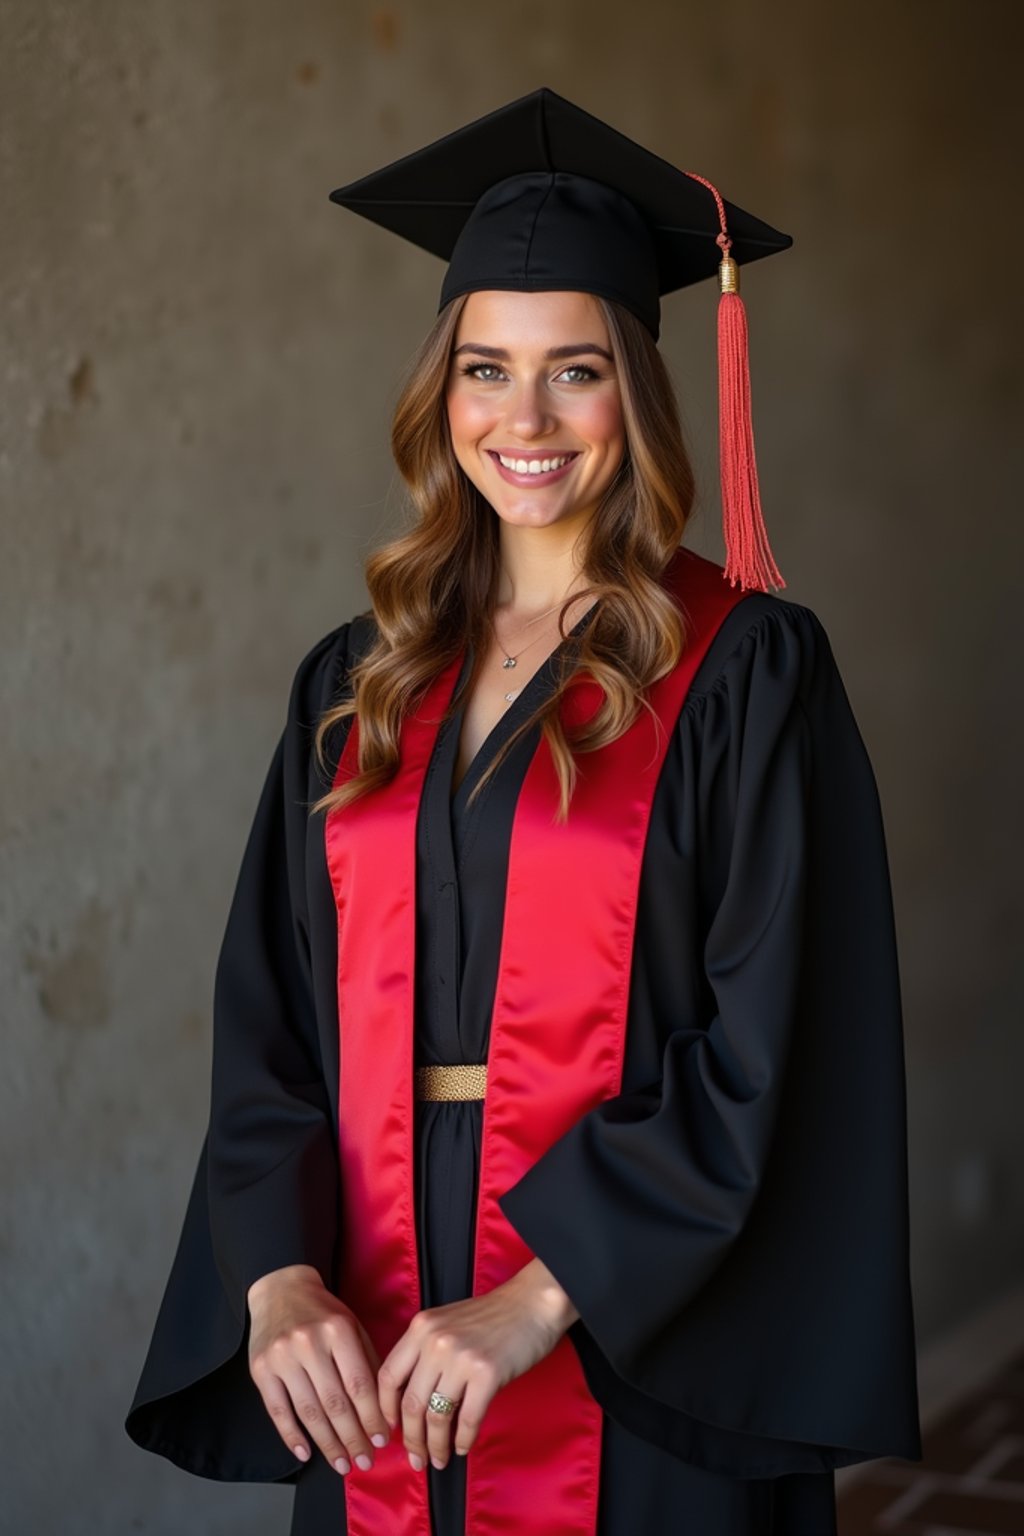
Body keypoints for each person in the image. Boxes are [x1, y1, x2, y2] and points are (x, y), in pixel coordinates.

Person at [124, 88, 922, 1535]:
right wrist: (277, 1272)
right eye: (487, 368)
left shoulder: (742, 671)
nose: (525, 420)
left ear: (641, 392)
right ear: (441, 391)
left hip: (636, 1322)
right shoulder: (357, 676)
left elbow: (771, 1037)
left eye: (579, 371)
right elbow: (270, 1018)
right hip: (375, 1322)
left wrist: (539, 1299)